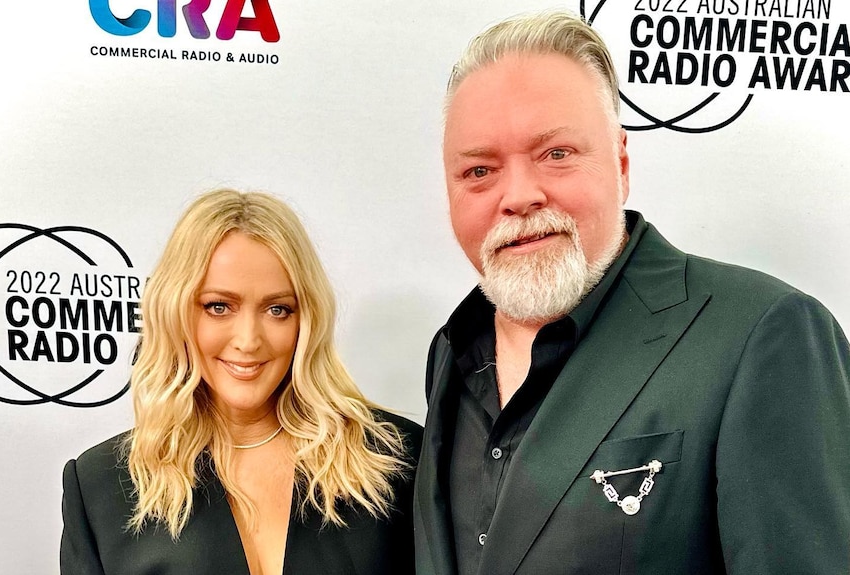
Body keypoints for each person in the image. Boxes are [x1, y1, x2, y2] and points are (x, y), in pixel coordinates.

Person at [414, 11, 850, 575]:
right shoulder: (451, 352)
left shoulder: (764, 335)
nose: (518, 196)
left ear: (620, 162)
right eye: (479, 170)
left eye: (556, 154)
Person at [61, 189, 422, 575]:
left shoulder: (395, 461)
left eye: (277, 309)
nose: (248, 340)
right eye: (219, 307)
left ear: (306, 320)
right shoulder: (100, 485)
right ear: (175, 311)